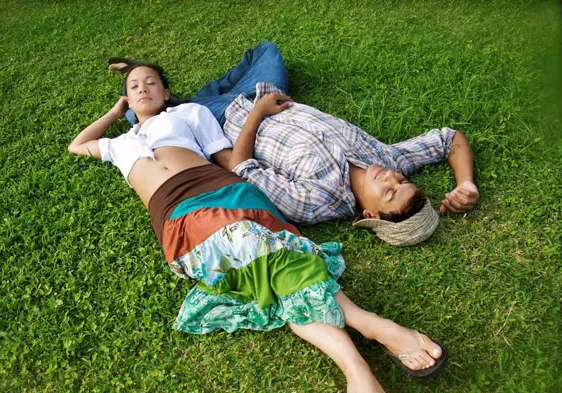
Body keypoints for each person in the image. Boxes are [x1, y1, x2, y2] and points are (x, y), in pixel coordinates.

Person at [68, 62, 448, 393]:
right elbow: (77, 145)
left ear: (166, 93)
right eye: (133, 87)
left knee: (266, 266)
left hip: (227, 193)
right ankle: (369, 324)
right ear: (127, 100)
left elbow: (230, 163)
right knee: (271, 260)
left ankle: (357, 370)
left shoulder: (188, 113)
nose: (142, 89)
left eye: (151, 82)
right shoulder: (116, 144)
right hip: (178, 219)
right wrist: (116, 111)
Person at [109, 42, 479, 246]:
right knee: (266, 51)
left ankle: (164, 97)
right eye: (401, 181)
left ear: (369, 216)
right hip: (265, 95)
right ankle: (182, 96)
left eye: (389, 192)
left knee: (145, 115)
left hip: (224, 122)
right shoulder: (386, 158)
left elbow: (239, 168)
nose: (390, 178)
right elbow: (450, 139)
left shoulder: (316, 201)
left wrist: (257, 115)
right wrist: (465, 183)